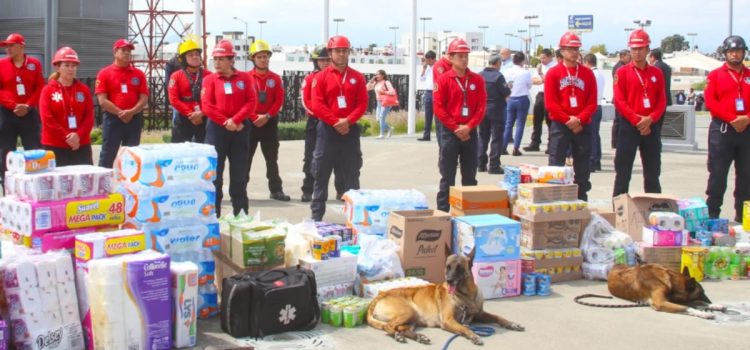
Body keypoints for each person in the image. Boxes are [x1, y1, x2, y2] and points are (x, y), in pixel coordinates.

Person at [309, 35, 368, 221]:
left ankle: (355, 221)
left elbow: (362, 104)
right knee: (321, 174)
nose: (341, 54)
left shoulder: (357, 77)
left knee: (352, 175)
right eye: (337, 51)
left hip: (350, 132)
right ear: (330, 52)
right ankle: (316, 218)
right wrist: (335, 122)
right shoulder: (320, 77)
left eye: (345, 51)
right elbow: (317, 105)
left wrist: (348, 121)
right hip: (327, 131)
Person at [201, 39, 256, 217]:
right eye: (215, 59)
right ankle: (214, 216)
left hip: (240, 129)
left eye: (221, 59)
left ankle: (241, 214)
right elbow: (207, 106)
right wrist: (226, 122)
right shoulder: (209, 80)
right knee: (215, 174)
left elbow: (251, 101)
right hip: (217, 130)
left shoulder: (245, 78)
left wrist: (237, 119)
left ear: (231, 60)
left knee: (239, 174)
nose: (217, 63)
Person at [433, 38, 487, 212]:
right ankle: (442, 211)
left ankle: (469, 212)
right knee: (447, 176)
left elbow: (481, 107)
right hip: (450, 133)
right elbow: (439, 108)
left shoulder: (477, 80)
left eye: (466, 56)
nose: (463, 59)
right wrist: (455, 127)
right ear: (450, 57)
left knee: (470, 175)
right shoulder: (443, 80)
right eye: (459, 56)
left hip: (470, 133)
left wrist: (469, 126)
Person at [612, 29, 666, 197]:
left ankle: (655, 206)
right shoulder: (622, 72)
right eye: (634, 49)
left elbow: (662, 100)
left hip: (651, 127)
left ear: (648, 49)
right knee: (623, 171)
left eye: (641, 48)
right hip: (629, 126)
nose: (637, 52)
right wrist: (637, 120)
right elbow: (620, 101)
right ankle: (619, 207)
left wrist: (650, 119)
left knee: (652, 172)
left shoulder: (657, 72)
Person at [545, 32, 597, 201]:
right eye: (569, 49)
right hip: (561, 125)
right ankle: (554, 199)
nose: (573, 52)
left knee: (582, 165)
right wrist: (568, 119)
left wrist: (579, 119)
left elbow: (592, 102)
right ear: (562, 51)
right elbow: (551, 103)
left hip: (582, 126)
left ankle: (581, 198)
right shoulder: (554, 73)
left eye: (576, 48)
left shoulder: (587, 74)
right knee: (556, 164)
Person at [704, 35, 750, 223]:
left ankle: (743, 216)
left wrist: (746, 118)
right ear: (725, 53)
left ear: (743, 52)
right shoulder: (715, 75)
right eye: (731, 51)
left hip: (746, 130)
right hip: (722, 130)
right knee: (718, 174)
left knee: (746, 176)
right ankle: (712, 214)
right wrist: (732, 118)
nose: (734, 54)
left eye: (738, 50)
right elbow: (710, 102)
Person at [0, 33, 45, 193]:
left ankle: (36, 187)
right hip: (7, 113)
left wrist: (27, 105)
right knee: (6, 150)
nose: (8, 49)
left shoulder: (34, 64)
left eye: (11, 45)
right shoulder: (2, 65)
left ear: (21, 46)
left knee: (34, 149)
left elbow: (39, 87)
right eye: (6, 46)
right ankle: (7, 188)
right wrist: (13, 105)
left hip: (29, 113)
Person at [247, 40, 290, 202]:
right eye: (260, 57)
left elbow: (278, 101)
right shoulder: (246, 78)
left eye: (266, 57)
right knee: (246, 159)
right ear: (253, 58)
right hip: (250, 123)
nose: (263, 60)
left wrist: (266, 116)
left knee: (272, 159)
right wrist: (253, 117)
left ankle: (276, 190)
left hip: (269, 122)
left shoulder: (275, 79)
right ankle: (240, 190)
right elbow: (244, 101)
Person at [301, 45, 345, 202]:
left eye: (327, 59)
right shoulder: (310, 79)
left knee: (340, 159)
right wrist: (322, 115)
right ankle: (308, 190)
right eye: (321, 60)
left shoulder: (338, 76)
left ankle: (342, 190)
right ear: (316, 62)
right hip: (316, 122)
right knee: (311, 158)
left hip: (335, 123)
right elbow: (306, 102)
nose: (325, 63)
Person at [95, 39, 148, 168]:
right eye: (123, 50)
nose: (127, 53)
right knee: (108, 153)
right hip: (113, 119)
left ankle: (129, 184)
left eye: (129, 51)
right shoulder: (104, 73)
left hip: (134, 118)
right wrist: (120, 112)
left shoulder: (138, 74)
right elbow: (102, 100)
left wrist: (131, 112)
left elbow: (144, 98)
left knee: (132, 154)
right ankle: (103, 183)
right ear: (115, 52)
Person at [39, 47, 94, 166]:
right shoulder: (48, 90)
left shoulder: (83, 90)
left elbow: (89, 116)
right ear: (58, 67)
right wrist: (67, 137)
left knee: (83, 182)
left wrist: (78, 136)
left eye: (74, 66)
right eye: (66, 65)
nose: (71, 69)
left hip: (81, 144)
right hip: (54, 145)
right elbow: (47, 119)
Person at [168, 38, 209, 143]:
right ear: (183, 59)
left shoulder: (209, 75)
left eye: (197, 54)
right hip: (183, 117)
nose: (195, 57)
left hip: (204, 118)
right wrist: (191, 114)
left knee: (205, 151)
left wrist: (202, 113)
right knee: (179, 151)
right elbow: (173, 99)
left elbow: (214, 98)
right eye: (190, 55)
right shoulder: (176, 76)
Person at [477, 54, 510, 174]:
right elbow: (506, 92)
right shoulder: (498, 76)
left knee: (482, 136)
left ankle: (480, 164)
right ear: (497, 63)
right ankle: (494, 165)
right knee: (496, 137)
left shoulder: (480, 75)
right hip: (496, 109)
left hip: (482, 109)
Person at [525, 48, 557, 152]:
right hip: (540, 94)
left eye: (544, 58)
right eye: (541, 58)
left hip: (550, 95)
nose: (541, 60)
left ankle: (551, 144)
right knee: (537, 119)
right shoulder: (540, 67)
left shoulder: (554, 66)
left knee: (549, 120)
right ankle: (535, 142)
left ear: (550, 57)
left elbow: (548, 80)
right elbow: (533, 80)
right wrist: (542, 79)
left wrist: (541, 77)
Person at [502, 52, 532, 156]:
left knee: (508, 124)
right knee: (520, 125)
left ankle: (503, 147)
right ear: (522, 61)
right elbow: (529, 86)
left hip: (510, 98)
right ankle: (516, 148)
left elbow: (504, 85)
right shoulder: (525, 72)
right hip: (522, 98)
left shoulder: (506, 71)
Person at [583, 53, 606, 172]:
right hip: (598, 105)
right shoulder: (600, 74)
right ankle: (596, 160)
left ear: (587, 62)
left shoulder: (591, 74)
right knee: (596, 135)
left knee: (591, 135)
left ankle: (592, 160)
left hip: (592, 107)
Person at [432, 50, 453, 149]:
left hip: (452, 102)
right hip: (442, 102)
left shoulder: (453, 65)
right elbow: (444, 82)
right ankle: (444, 156)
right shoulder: (440, 65)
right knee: (442, 130)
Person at [366, 70, 396, 139]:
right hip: (379, 103)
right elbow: (366, 88)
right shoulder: (376, 83)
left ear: (383, 75)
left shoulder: (386, 82)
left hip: (385, 102)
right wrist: (371, 81)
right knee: (378, 119)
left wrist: (384, 92)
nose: (376, 76)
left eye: (378, 74)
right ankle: (390, 128)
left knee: (382, 117)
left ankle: (382, 134)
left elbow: (392, 92)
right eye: (376, 74)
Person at [611, 50, 632, 149]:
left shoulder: (621, 66)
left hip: (620, 98)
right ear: (622, 56)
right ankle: (616, 141)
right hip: (619, 98)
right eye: (629, 56)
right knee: (619, 121)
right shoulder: (620, 68)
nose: (630, 58)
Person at [418, 50, 436, 141]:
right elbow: (421, 79)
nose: (427, 62)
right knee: (428, 115)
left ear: (432, 59)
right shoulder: (428, 68)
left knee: (438, 115)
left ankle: (439, 134)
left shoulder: (437, 68)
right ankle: (426, 135)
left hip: (436, 92)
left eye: (428, 60)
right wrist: (424, 69)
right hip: (428, 92)